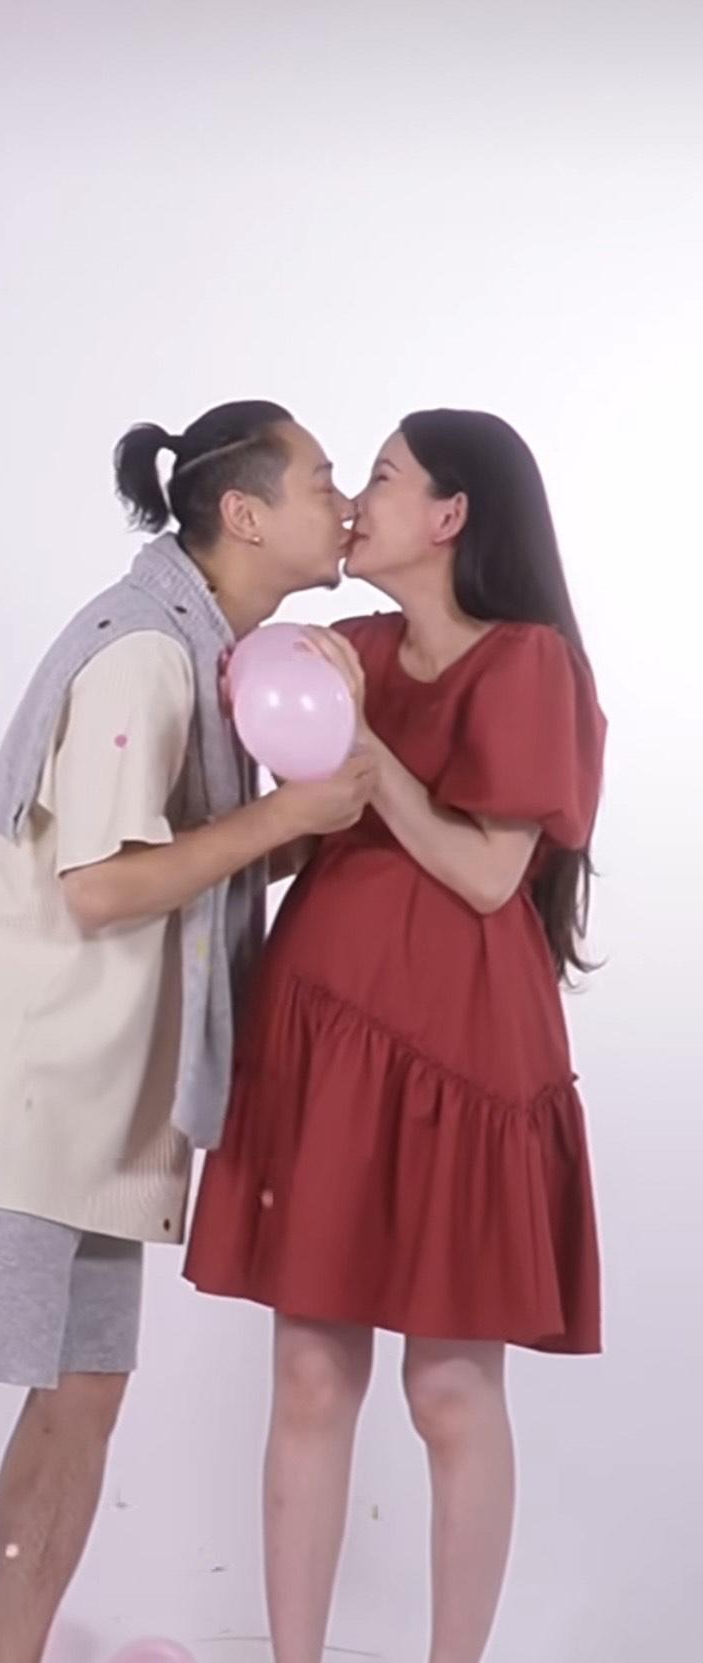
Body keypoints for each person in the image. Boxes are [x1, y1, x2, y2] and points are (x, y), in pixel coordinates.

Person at [0, 400, 376, 1663]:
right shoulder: (143, 655)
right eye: (323, 479)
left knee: (84, 1399)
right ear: (244, 513)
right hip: (16, 1101)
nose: (342, 503)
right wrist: (285, 820)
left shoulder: (211, 656)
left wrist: (302, 820)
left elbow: (186, 869)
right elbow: (100, 886)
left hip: (106, 1113)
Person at [185, 409, 606, 1663]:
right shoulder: (351, 649)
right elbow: (295, 831)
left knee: (449, 1389)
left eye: (380, 477)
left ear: (452, 515)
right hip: (325, 1048)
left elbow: (486, 875)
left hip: (461, 1058)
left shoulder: (526, 663)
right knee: (311, 1378)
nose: (357, 502)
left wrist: (366, 748)